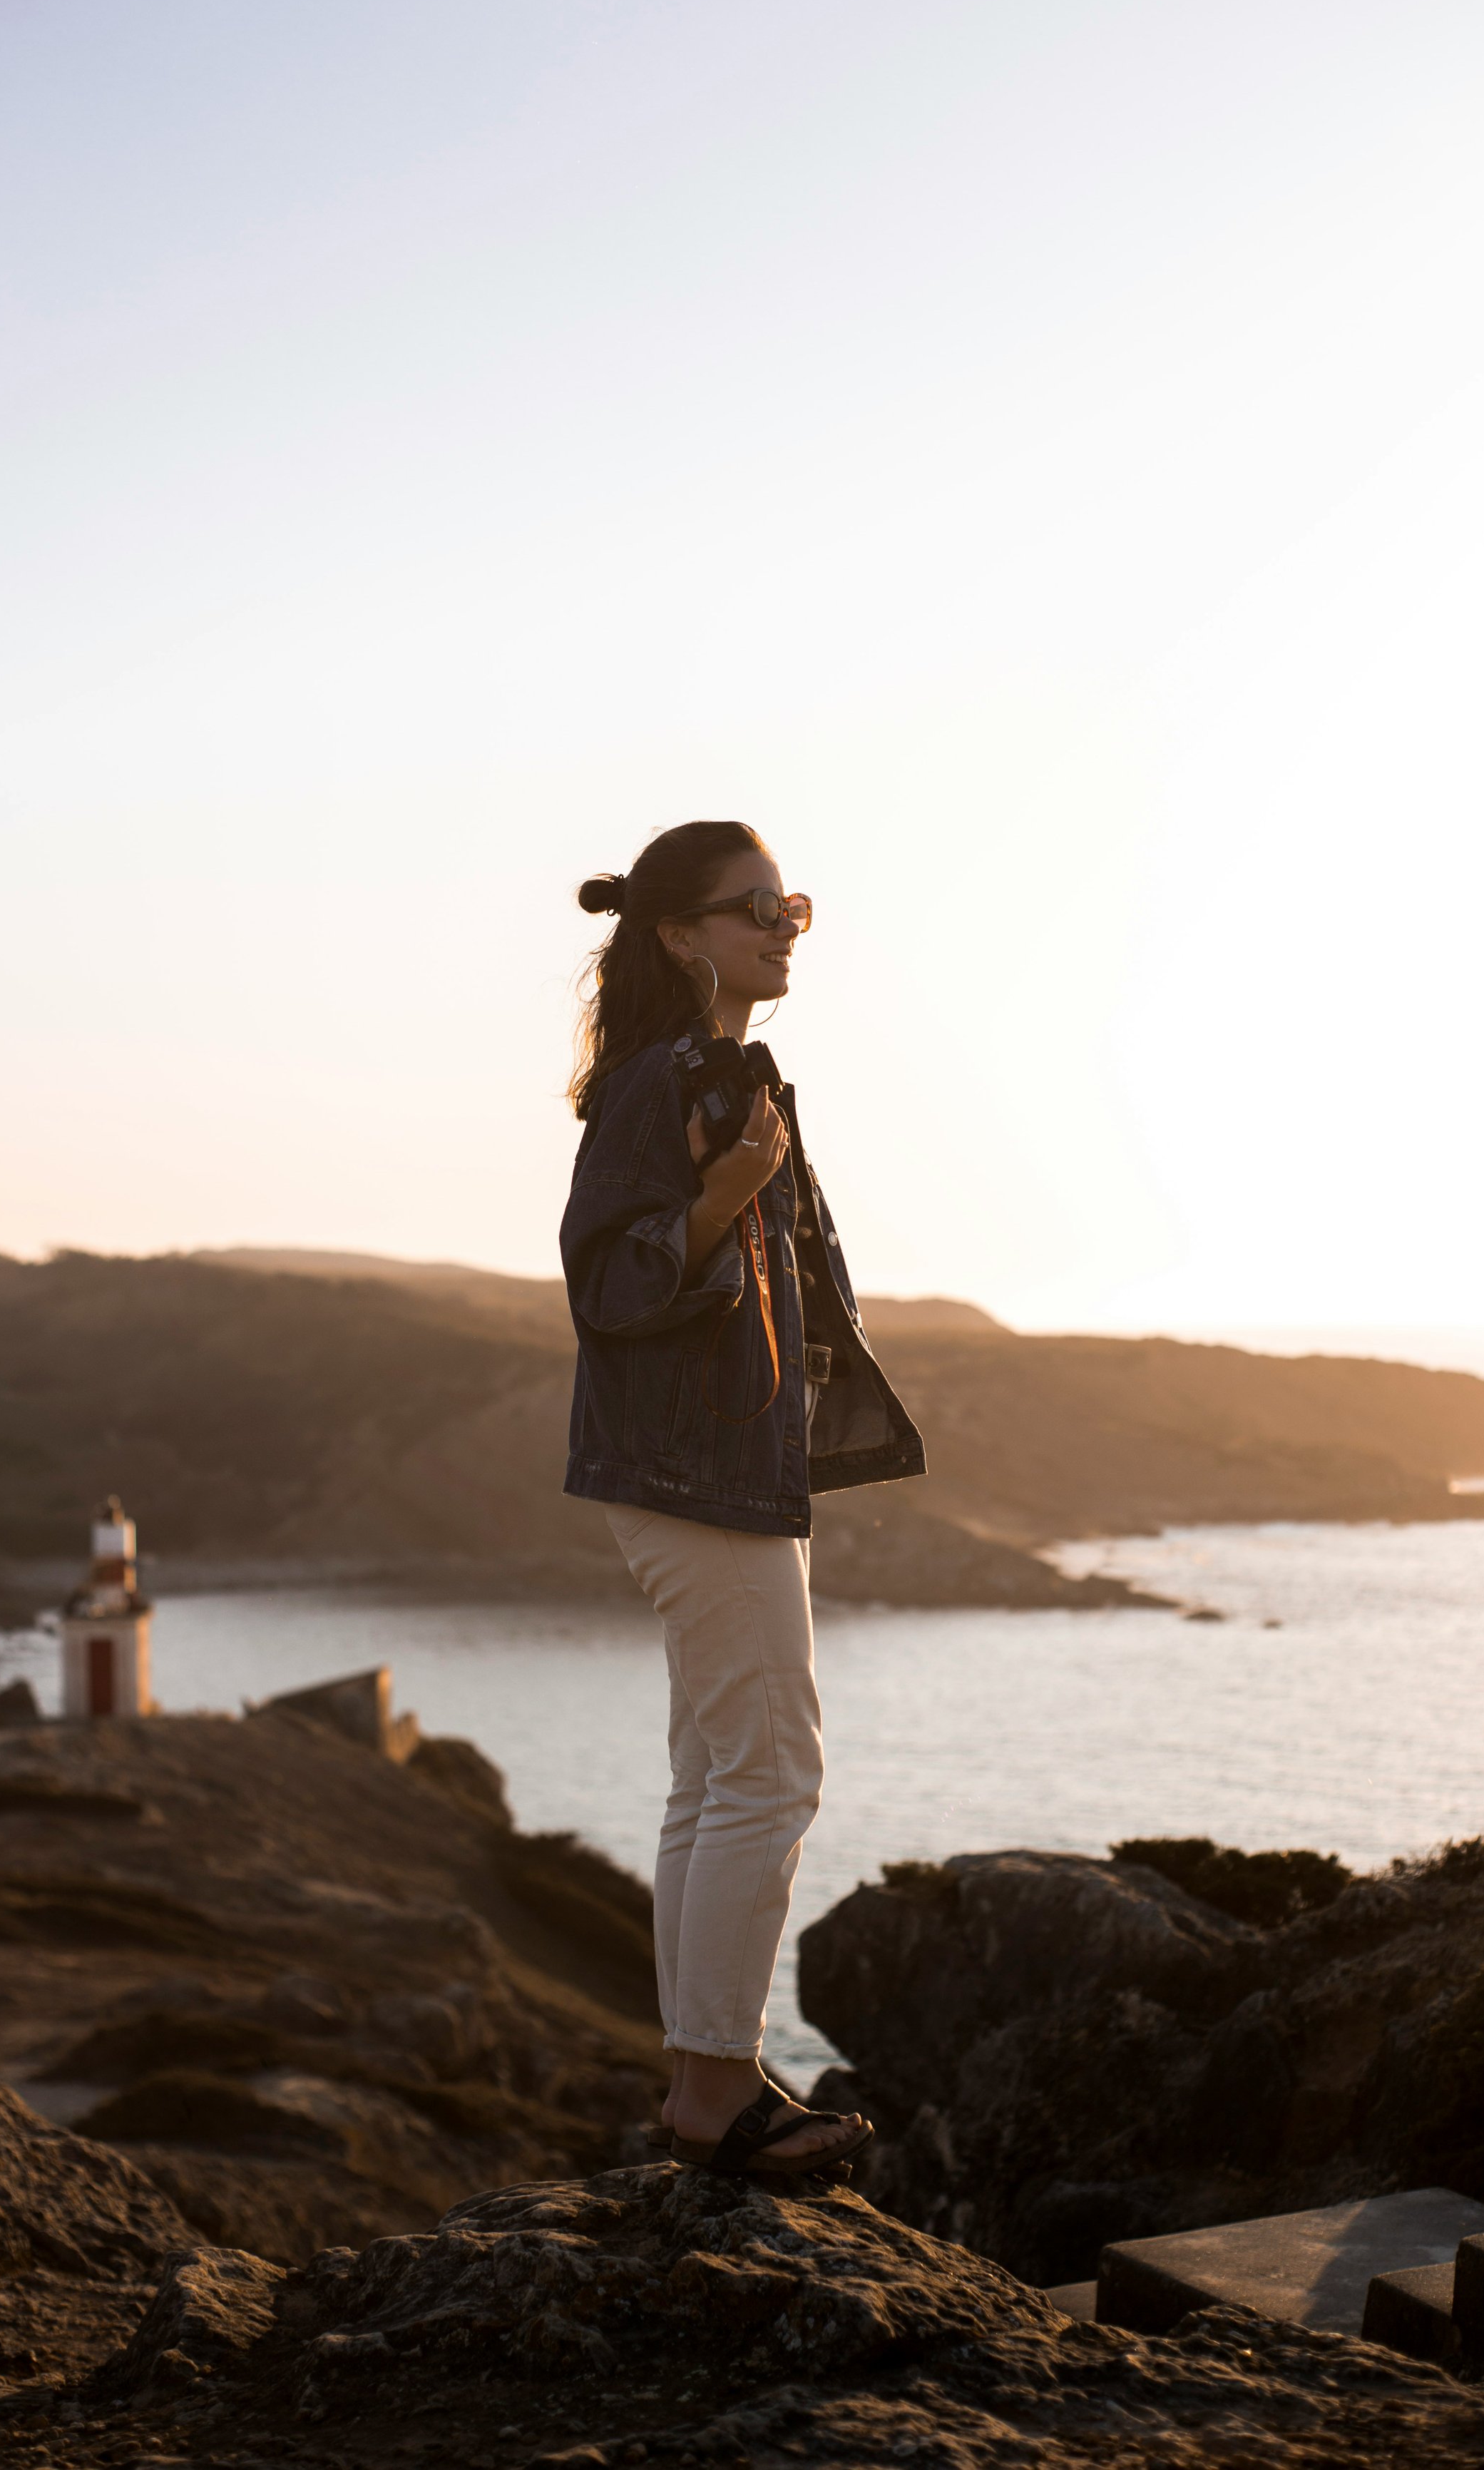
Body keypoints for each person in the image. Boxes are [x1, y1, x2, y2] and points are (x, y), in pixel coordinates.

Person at [561, 820, 926, 2180]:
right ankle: (714, 2094)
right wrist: (725, 1202)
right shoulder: (663, 1084)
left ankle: (704, 2075)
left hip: (704, 1471)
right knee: (773, 1772)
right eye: (753, 908)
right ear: (677, 933)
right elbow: (607, 1284)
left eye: (793, 907)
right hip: (696, 1478)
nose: (782, 927)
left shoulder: (715, 1069)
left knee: (715, 1775)